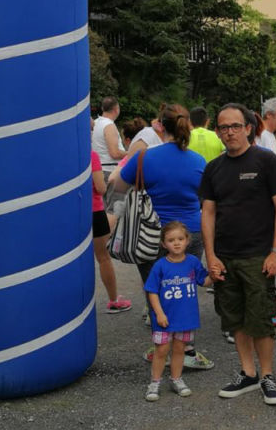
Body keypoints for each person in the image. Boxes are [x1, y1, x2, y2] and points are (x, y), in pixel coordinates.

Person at [200, 103, 276, 404]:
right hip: (225, 257)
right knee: (234, 318)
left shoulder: (266, 161)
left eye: (235, 126)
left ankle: (267, 376)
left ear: (248, 128)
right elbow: (208, 213)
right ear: (218, 132)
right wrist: (211, 256)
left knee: (260, 320)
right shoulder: (213, 168)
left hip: (258, 256)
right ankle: (248, 373)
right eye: (224, 127)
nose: (230, 132)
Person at [116, 105, 212, 371]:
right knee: (185, 289)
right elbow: (206, 197)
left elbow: (118, 185)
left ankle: (161, 347)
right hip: (191, 231)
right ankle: (187, 350)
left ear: (160, 125)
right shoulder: (198, 161)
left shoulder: (145, 158)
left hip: (152, 234)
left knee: (156, 289)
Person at [144, 222, 210, 402]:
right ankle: (155, 382)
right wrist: (159, 313)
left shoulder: (193, 262)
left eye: (180, 239)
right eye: (171, 240)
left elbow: (204, 281)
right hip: (164, 318)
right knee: (161, 350)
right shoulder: (160, 266)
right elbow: (151, 291)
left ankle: (176, 379)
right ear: (164, 244)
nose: (176, 243)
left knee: (180, 349)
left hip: (185, 317)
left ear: (187, 240)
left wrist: (215, 274)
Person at [91, 151, 131, 313]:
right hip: (94, 211)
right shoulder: (90, 155)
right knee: (103, 258)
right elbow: (100, 188)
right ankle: (114, 301)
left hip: (72, 213)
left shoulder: (64, 155)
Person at [91, 96, 125, 226]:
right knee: (113, 210)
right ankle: (111, 236)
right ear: (116, 109)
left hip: (97, 171)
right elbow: (114, 153)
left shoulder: (95, 123)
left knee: (102, 208)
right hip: (110, 171)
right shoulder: (109, 125)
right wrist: (132, 153)